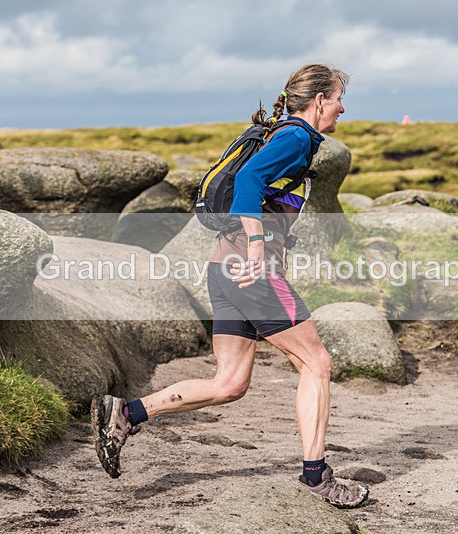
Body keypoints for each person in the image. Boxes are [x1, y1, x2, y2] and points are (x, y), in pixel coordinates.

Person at [91, 64, 370, 509]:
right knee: (316, 363)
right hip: (250, 272)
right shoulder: (296, 137)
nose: (343, 107)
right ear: (319, 101)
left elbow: (256, 187)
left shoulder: (285, 135)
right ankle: (316, 478)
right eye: (338, 97)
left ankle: (126, 413)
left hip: (224, 270)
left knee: (230, 383)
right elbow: (247, 180)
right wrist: (259, 248)